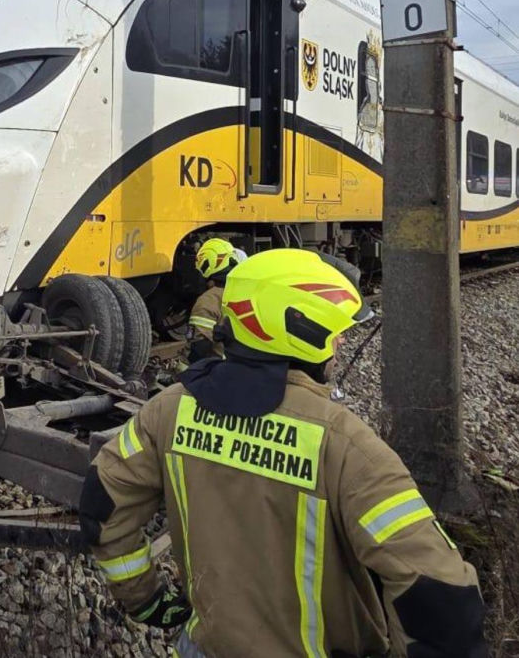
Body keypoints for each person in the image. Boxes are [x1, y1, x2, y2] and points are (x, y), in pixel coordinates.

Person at [79, 248, 487, 657]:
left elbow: (104, 503)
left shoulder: (167, 410)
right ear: (301, 333)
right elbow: (439, 594)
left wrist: (145, 598)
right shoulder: (347, 447)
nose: (341, 341)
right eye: (333, 331)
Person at [186, 238, 245, 361]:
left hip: (227, 371)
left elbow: (200, 346)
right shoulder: (248, 292)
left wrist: (182, 371)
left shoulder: (208, 300)